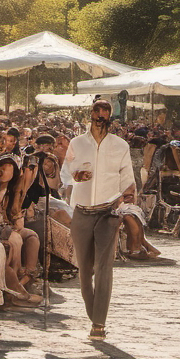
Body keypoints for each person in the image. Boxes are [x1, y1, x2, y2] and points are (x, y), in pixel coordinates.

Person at [61, 99, 134, 340]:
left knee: (104, 268)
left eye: (105, 113)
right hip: (82, 212)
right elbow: (64, 174)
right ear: (90, 114)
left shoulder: (120, 145)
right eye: (97, 112)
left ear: (111, 117)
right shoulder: (77, 143)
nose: (101, 116)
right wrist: (75, 176)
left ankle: (98, 323)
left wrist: (127, 198)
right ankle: (94, 315)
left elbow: (127, 178)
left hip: (108, 212)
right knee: (84, 272)